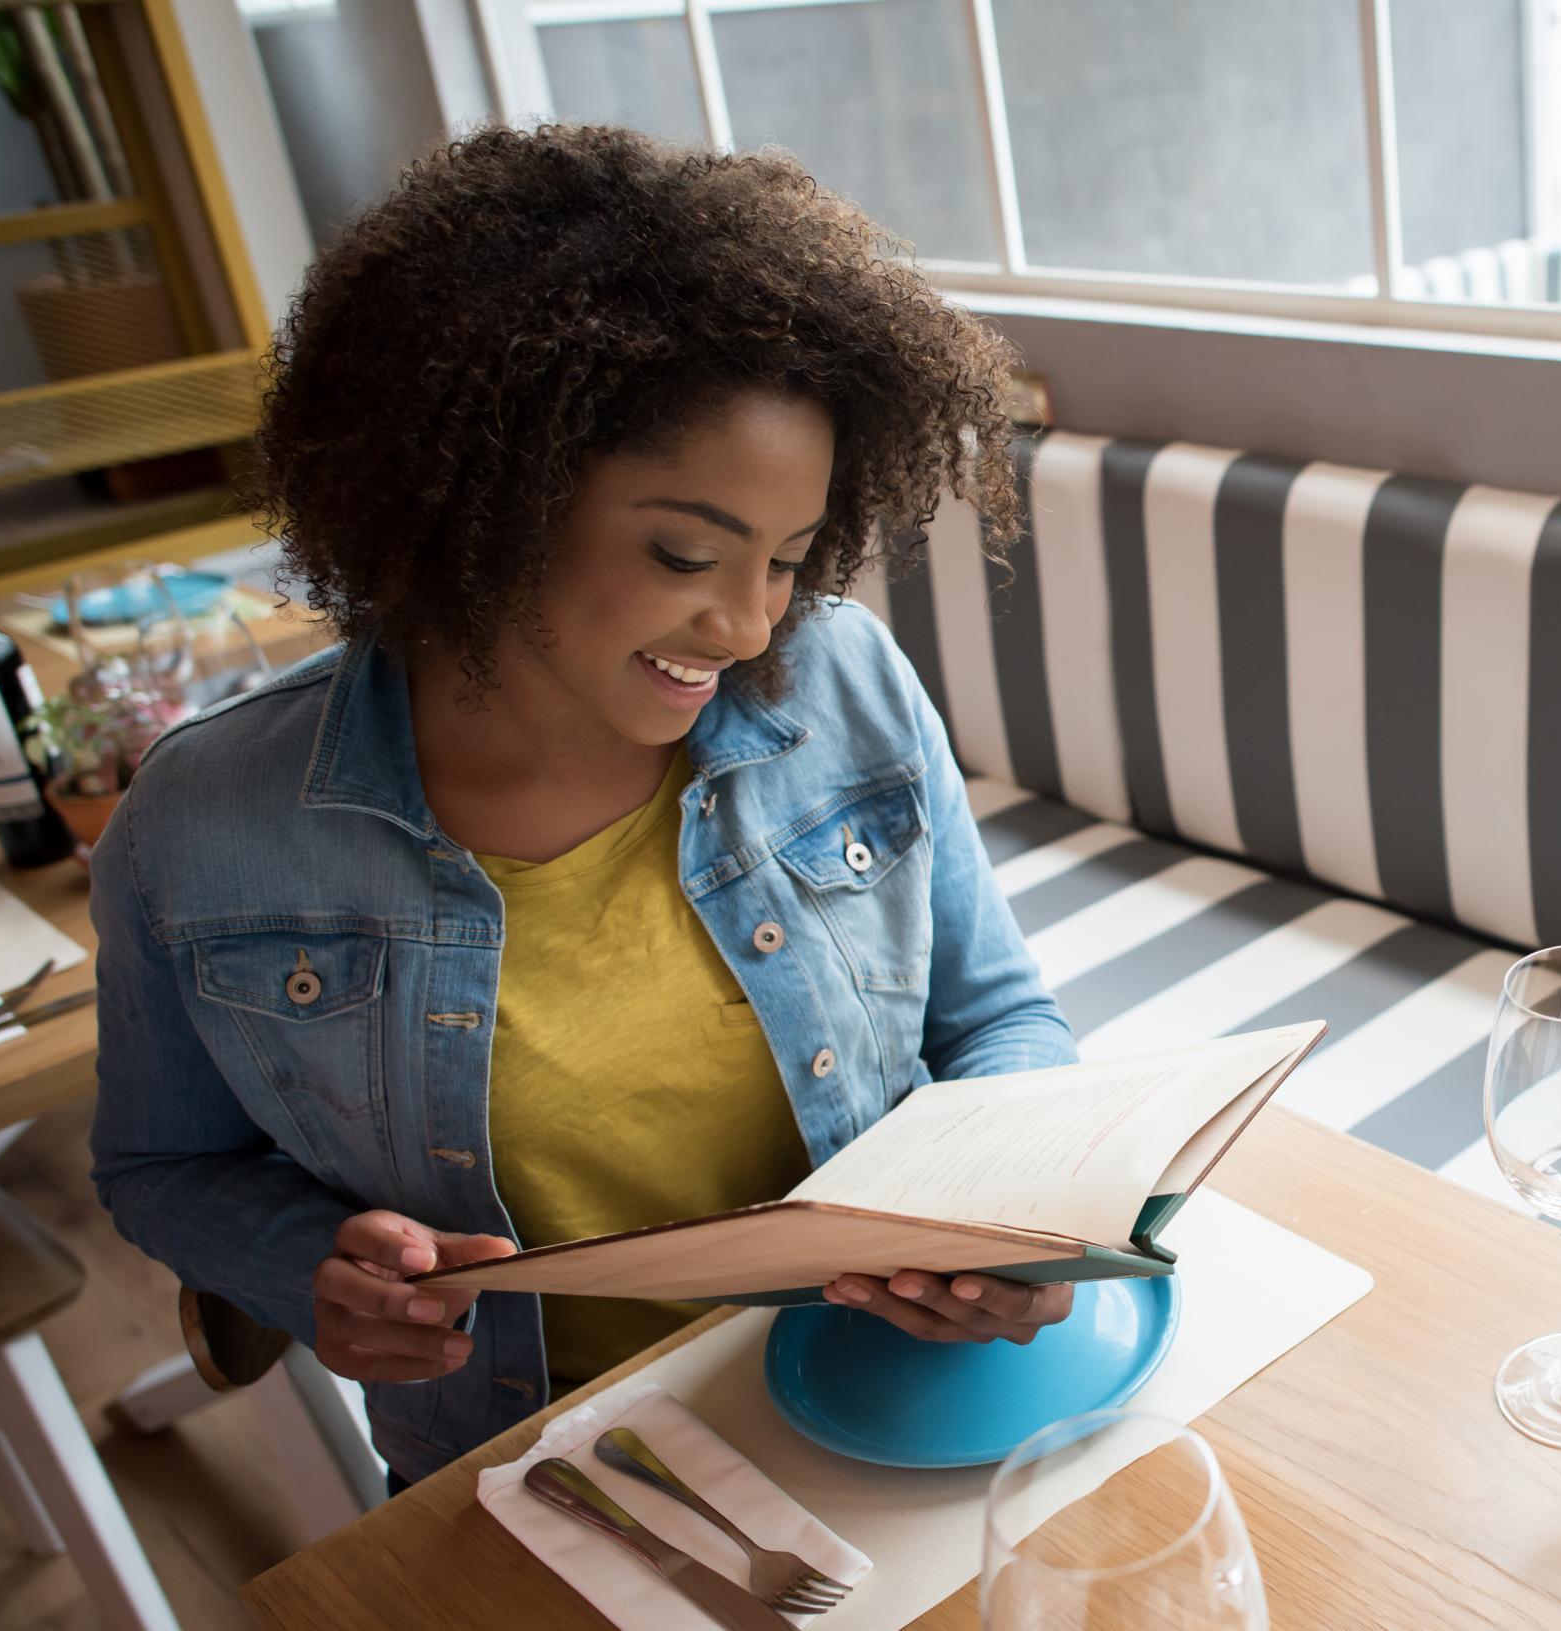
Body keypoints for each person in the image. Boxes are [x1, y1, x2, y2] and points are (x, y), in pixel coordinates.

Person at [86, 125, 1077, 1493]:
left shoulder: (843, 679)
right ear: (481, 497)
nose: (743, 624)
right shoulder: (204, 832)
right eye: (683, 554)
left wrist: (1019, 1212)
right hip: (546, 1464)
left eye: (787, 560)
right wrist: (307, 1270)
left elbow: (999, 1018)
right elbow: (156, 1164)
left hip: (891, 1385)